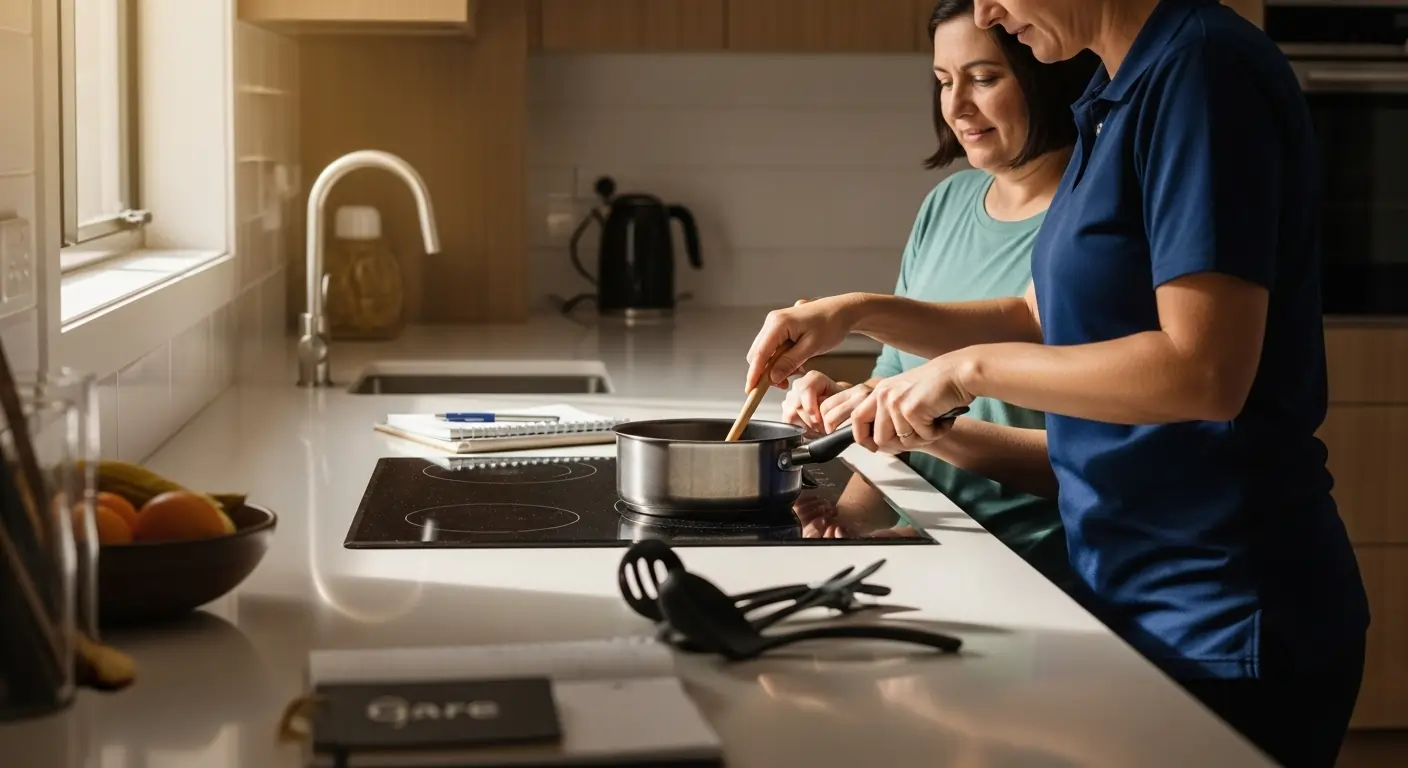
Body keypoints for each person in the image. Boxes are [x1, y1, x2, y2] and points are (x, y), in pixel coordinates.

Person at [744, 0, 1370, 765]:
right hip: (1124, 582)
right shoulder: (1116, 91)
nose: (989, 11)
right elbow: (1041, 315)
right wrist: (856, 313)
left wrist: (964, 373)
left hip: (1217, 600)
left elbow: (1205, 372)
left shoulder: (1203, 73)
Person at [782, 0, 1095, 591]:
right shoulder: (947, 204)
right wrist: (848, 517)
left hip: (1028, 570)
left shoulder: (1094, 226)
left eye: (983, 78)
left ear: (1046, 70)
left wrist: (921, 425)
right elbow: (895, 391)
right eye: (944, 81)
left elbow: (1090, 456)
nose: (956, 106)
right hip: (925, 546)